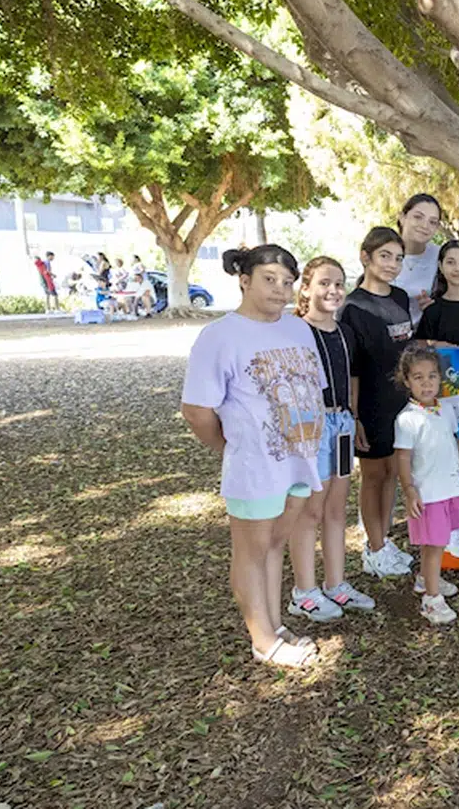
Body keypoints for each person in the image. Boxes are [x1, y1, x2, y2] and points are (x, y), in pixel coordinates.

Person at [180, 244, 325, 669]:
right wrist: (231, 447)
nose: (280, 289)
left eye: (287, 281)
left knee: (276, 543)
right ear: (244, 281)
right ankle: (262, 641)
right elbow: (196, 410)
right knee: (252, 549)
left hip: (298, 461)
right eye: (269, 279)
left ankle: (274, 625)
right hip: (254, 467)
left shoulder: (299, 329)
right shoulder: (220, 336)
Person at [286, 256, 375, 623]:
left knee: (336, 509)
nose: (333, 290)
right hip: (311, 427)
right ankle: (304, 592)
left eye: (339, 283)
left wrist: (354, 417)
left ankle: (336, 583)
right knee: (310, 511)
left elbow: (352, 378)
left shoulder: (345, 333)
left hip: (342, 424)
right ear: (306, 288)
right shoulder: (295, 331)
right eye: (323, 283)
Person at [339, 227, 417, 580]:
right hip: (370, 403)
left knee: (393, 474)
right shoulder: (352, 307)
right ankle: (372, 548)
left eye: (398, 258)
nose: (392, 264)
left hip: (401, 402)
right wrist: (354, 416)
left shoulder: (401, 297)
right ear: (365, 256)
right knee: (373, 476)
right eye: (385, 256)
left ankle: (383, 542)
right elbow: (352, 369)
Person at [394, 345, 459, 625]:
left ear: (440, 378)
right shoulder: (407, 419)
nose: (426, 383)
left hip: (450, 488)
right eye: (418, 377)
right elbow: (402, 457)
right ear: (407, 381)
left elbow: (454, 440)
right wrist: (409, 489)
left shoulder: (445, 409)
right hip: (428, 493)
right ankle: (431, 601)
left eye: (432, 376)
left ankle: (426, 579)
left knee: (438, 541)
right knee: (434, 545)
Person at [391, 193, 443, 328]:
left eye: (432, 222)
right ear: (402, 217)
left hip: (425, 334)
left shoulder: (441, 256)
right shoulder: (383, 251)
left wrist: (434, 306)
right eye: (418, 217)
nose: (425, 225)